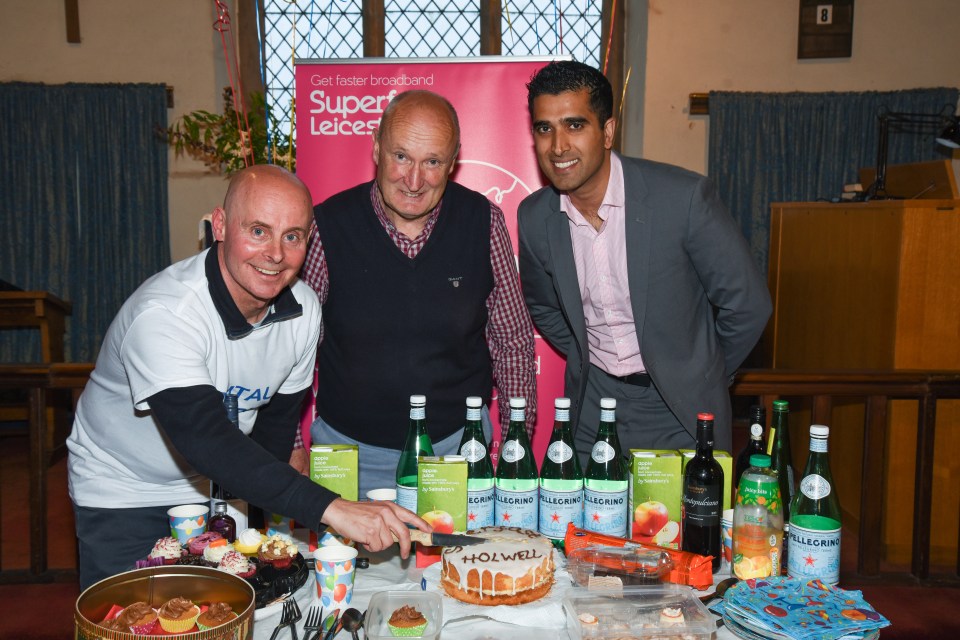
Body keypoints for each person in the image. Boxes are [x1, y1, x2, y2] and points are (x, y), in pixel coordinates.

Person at [67, 165, 428, 590]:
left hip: (219, 486)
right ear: (220, 225)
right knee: (132, 621)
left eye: (292, 236)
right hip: (122, 487)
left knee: (228, 616)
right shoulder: (167, 314)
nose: (275, 253)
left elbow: (273, 435)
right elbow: (206, 439)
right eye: (258, 230)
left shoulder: (304, 310)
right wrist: (332, 507)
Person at [517, 61, 771, 462]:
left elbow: (748, 304)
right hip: (591, 409)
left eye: (575, 125)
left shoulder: (682, 198)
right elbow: (543, 306)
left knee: (679, 526)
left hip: (677, 410)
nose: (558, 146)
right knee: (582, 525)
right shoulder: (534, 217)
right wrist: (590, 355)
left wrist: (699, 371)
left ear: (607, 131)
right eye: (544, 128)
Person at [298, 90, 538, 496]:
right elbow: (293, 347)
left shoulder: (483, 221)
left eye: (432, 162)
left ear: (454, 161)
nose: (414, 180)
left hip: (457, 450)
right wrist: (290, 445)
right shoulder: (326, 224)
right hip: (349, 456)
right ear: (376, 147)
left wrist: (515, 445)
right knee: (342, 561)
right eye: (401, 156)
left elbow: (512, 342)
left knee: (461, 559)